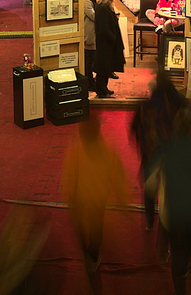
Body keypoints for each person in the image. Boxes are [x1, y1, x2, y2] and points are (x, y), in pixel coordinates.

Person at [146, 106, 191, 295]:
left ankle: (180, 286)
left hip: (171, 210)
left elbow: (150, 183)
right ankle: (186, 262)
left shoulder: (163, 151)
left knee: (176, 249)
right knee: (188, 239)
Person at [62, 113, 130, 273]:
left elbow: (70, 175)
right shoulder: (108, 152)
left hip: (80, 195)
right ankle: (92, 256)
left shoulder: (76, 151)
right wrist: (123, 202)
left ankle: (84, 250)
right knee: (96, 226)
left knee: (79, 225)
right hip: (98, 197)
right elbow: (119, 178)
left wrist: (71, 195)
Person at [131, 69, 185, 232]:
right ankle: (170, 217)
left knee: (150, 188)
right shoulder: (178, 103)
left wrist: (144, 143)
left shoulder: (145, 107)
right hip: (171, 151)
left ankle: (149, 220)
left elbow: (135, 129)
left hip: (150, 153)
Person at [93, 0, 124, 98]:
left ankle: (104, 88)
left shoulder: (105, 6)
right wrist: (113, 38)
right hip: (105, 42)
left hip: (108, 41)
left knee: (107, 67)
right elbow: (103, 27)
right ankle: (101, 90)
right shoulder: (102, 7)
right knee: (103, 67)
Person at [83, 0, 104, 81]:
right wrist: (99, 4)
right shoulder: (86, 2)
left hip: (92, 34)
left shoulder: (90, 2)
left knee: (91, 59)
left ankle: (90, 80)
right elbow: (95, 16)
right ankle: (89, 81)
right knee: (89, 61)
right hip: (89, 35)